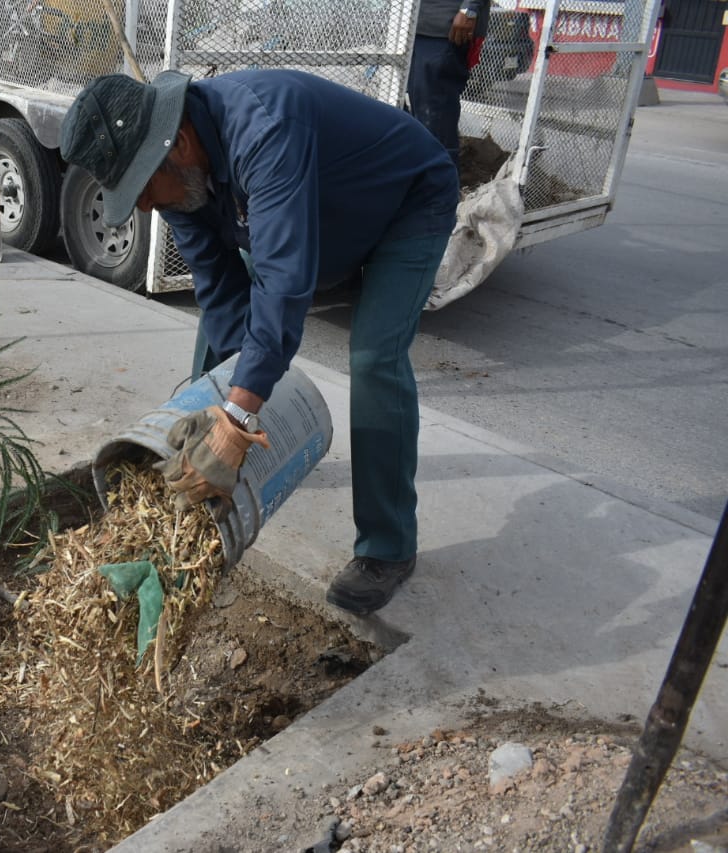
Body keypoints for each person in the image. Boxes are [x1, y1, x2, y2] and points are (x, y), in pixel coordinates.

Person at [60, 69, 459, 615]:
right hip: (328, 215)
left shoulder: (265, 131)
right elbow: (220, 289)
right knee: (221, 338)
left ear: (178, 145)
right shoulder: (181, 182)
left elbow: (284, 283)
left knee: (374, 356)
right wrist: (225, 407)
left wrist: (239, 414)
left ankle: (387, 549)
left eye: (143, 188)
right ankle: (199, 471)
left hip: (406, 203)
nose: (145, 206)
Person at [408, 0, 491, 171]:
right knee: (417, 112)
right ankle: (422, 176)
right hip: (410, 26)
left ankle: (440, 180)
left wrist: (468, 10)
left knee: (436, 115)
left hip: (445, 29)